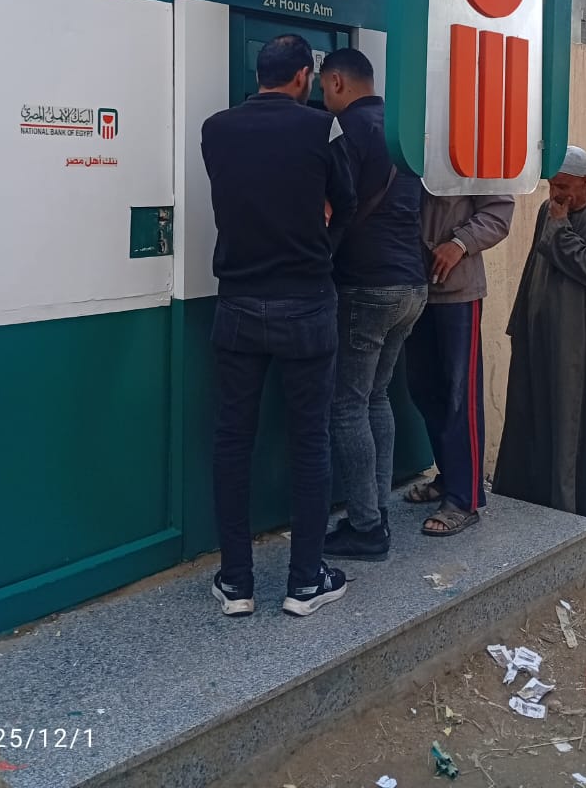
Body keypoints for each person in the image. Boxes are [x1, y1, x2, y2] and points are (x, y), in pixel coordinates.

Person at [201, 34, 356, 617]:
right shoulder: (323, 127)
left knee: (232, 442)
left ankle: (236, 582)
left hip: (238, 304)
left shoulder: (215, 130)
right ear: (302, 78)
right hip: (307, 305)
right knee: (310, 441)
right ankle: (305, 581)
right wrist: (320, 244)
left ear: (260, 74)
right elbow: (347, 201)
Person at [317, 48, 428, 562]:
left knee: (347, 404)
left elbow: (331, 205)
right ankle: (376, 510)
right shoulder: (403, 129)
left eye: (323, 87)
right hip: (412, 285)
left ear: (337, 81)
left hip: (366, 285)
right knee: (376, 397)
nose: (322, 97)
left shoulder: (344, 130)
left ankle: (365, 527)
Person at [492, 146, 586, 525]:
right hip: (540, 332)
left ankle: (574, 511)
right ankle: (530, 501)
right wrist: (520, 322)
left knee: (575, 417)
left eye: (565, 187)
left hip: (584, 340)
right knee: (533, 413)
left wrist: (559, 226)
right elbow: (535, 267)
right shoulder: (549, 210)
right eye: (553, 186)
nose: (558, 194)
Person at [403, 190, 515, 535]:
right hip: (413, 286)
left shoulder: (476, 158)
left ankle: (465, 499)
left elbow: (498, 213)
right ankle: (450, 476)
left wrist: (460, 243)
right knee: (423, 388)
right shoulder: (408, 155)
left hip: (458, 290)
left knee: (459, 395)